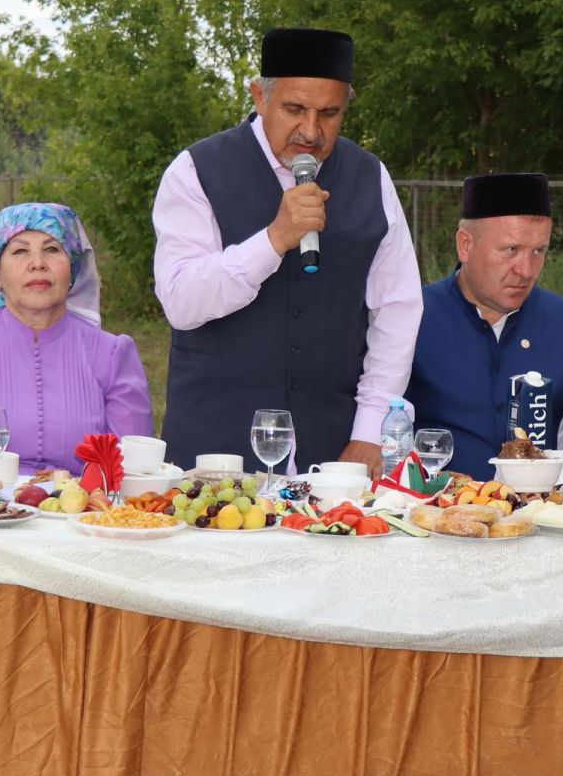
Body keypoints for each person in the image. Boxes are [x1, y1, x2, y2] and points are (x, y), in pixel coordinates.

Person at [152, 26, 421, 472]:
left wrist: (370, 430)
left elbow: (397, 310)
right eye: (295, 109)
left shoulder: (370, 177)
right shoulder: (196, 170)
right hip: (215, 451)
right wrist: (274, 240)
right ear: (259, 97)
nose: (311, 130)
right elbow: (181, 302)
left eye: (329, 113)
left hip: (334, 455)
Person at [0, 202, 152, 475]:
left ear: (72, 269)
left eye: (51, 249)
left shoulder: (112, 353)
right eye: (20, 251)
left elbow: (133, 471)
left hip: (83, 512)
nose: (37, 264)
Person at [401, 172, 563, 473]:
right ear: (465, 245)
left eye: (538, 251)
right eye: (511, 250)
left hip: (535, 510)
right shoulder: (412, 317)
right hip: (437, 509)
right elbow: (386, 423)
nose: (526, 271)